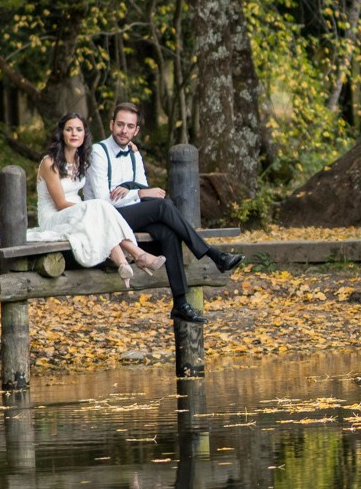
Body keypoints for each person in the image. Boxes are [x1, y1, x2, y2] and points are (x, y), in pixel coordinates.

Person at [82, 101, 244, 323]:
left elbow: (142, 187)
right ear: (111, 124)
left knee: (169, 233)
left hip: (129, 216)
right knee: (163, 205)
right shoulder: (98, 153)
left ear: (136, 130)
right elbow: (104, 201)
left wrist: (132, 188)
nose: (124, 130)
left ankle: (180, 304)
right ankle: (213, 254)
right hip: (106, 220)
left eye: (130, 126)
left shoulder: (134, 154)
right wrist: (137, 193)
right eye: (120, 124)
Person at [37, 114, 167, 287]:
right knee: (99, 208)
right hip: (54, 217)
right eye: (69, 129)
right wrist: (90, 209)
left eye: (79, 129)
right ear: (62, 133)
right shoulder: (49, 162)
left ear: (85, 135)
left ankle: (122, 263)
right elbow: (60, 204)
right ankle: (138, 255)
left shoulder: (81, 161)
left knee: (99, 209)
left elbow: (110, 152)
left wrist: (130, 147)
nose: (74, 133)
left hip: (78, 214)